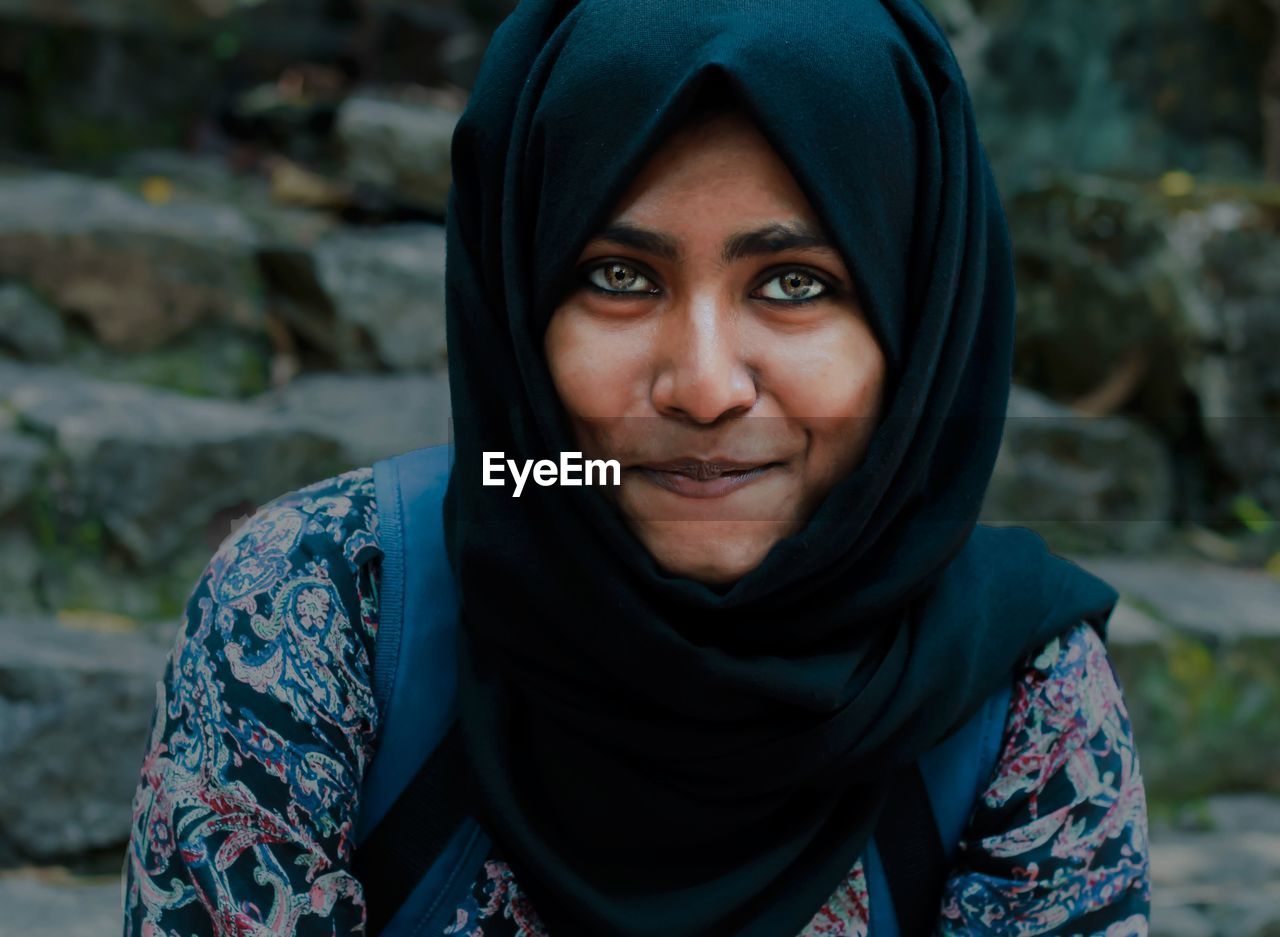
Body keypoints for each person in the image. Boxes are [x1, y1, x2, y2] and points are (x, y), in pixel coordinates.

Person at [122, 0, 1151, 934]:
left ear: (918, 318)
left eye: (794, 283)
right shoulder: (321, 603)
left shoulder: (1022, 701)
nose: (702, 388)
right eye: (618, 277)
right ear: (518, 306)